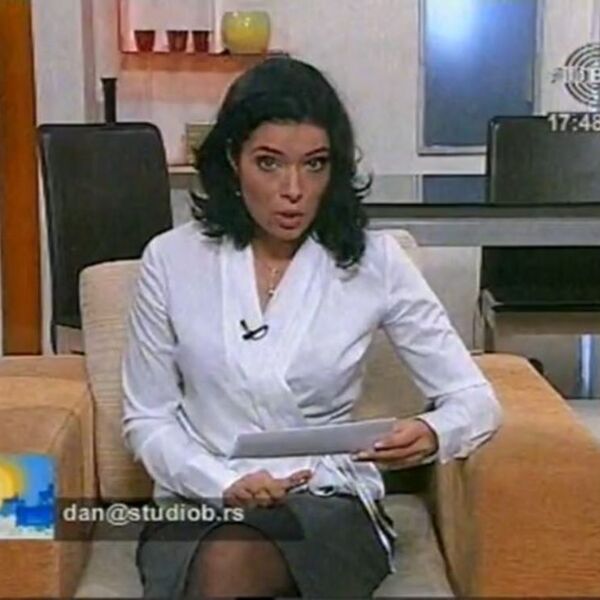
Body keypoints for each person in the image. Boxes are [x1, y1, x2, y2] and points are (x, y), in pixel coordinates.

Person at [121, 57, 503, 599]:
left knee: (231, 562)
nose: (294, 190)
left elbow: (475, 400)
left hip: (325, 502)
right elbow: (147, 418)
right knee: (221, 551)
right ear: (232, 160)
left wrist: (432, 432)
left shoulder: (375, 262)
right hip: (202, 496)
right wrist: (224, 483)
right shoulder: (171, 260)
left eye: (315, 165)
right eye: (269, 163)